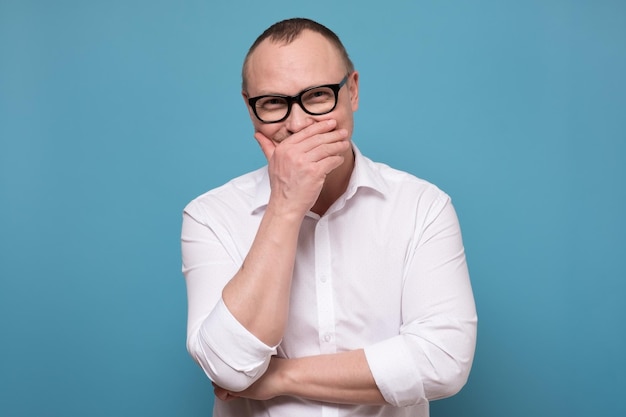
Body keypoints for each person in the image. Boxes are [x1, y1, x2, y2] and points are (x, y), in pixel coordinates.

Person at [181, 17, 477, 417]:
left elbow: (443, 362)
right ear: (249, 108)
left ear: (351, 91)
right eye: (273, 103)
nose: (298, 124)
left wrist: (278, 378)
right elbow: (228, 368)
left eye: (318, 96)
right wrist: (285, 207)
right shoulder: (210, 216)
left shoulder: (422, 206)